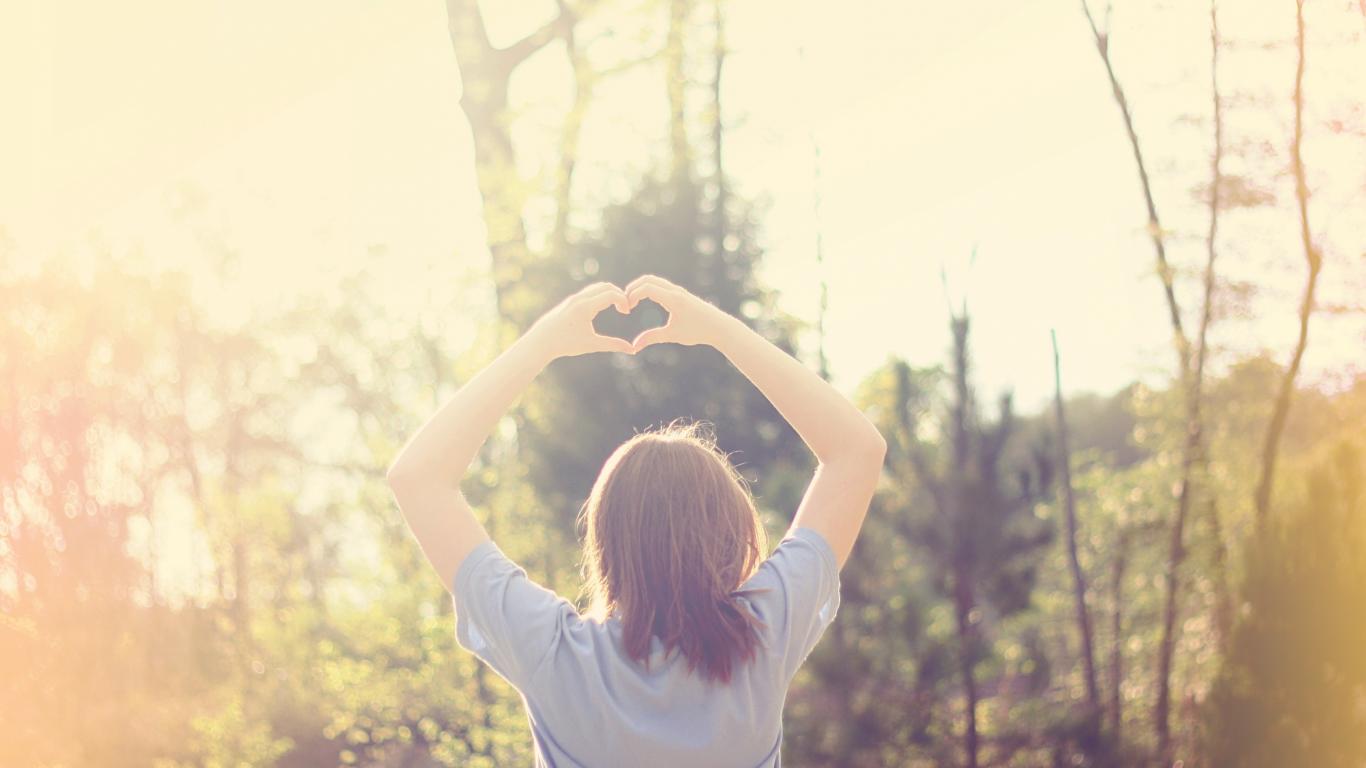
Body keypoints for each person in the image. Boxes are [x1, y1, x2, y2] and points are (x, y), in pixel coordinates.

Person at [386, 274, 887, 767]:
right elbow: (857, 451)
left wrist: (542, 343)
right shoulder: (765, 635)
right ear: (732, 533)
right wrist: (719, 330)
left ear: (606, 541)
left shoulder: (555, 654)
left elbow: (419, 477)